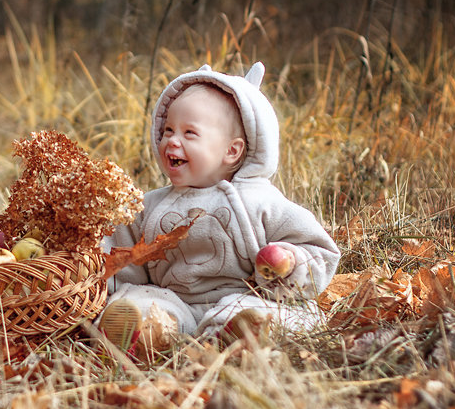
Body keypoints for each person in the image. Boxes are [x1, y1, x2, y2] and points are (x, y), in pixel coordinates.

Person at [99, 62, 340, 351]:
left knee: (262, 313)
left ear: (232, 150)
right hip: (174, 299)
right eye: (168, 130)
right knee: (141, 301)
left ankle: (237, 335)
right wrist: (95, 271)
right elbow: (120, 255)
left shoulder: (262, 202)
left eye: (189, 133)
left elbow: (318, 250)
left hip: (247, 296)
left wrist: (289, 263)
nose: (172, 141)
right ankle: (145, 332)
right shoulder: (150, 205)